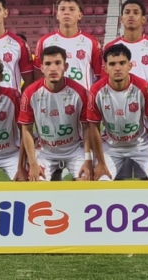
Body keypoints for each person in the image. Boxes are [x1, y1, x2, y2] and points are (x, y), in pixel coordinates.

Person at [86, 44, 148, 181]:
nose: (117, 68)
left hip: (140, 145)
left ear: (130, 65)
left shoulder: (143, 87)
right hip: (111, 147)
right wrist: (100, 163)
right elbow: (94, 128)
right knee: (101, 182)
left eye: (122, 63)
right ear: (106, 68)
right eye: (112, 64)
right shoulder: (96, 91)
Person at [18, 45, 94, 181]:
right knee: (36, 183)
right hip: (45, 151)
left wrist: (88, 159)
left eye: (58, 63)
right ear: (41, 68)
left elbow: (87, 128)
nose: (53, 68)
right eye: (47, 64)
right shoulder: (30, 93)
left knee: (85, 181)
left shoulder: (80, 92)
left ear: (65, 66)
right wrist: (33, 163)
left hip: (75, 149)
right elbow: (26, 130)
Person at [35, 0, 102, 89]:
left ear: (80, 15)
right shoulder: (44, 41)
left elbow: (100, 75)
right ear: (57, 15)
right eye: (62, 9)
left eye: (72, 9)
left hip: (83, 100)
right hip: (54, 99)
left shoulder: (91, 42)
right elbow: (38, 73)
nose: (66, 13)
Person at [105, 0, 148, 96]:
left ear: (143, 19)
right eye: (127, 12)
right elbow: (104, 82)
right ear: (121, 19)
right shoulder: (110, 47)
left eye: (135, 12)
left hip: (146, 106)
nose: (131, 15)